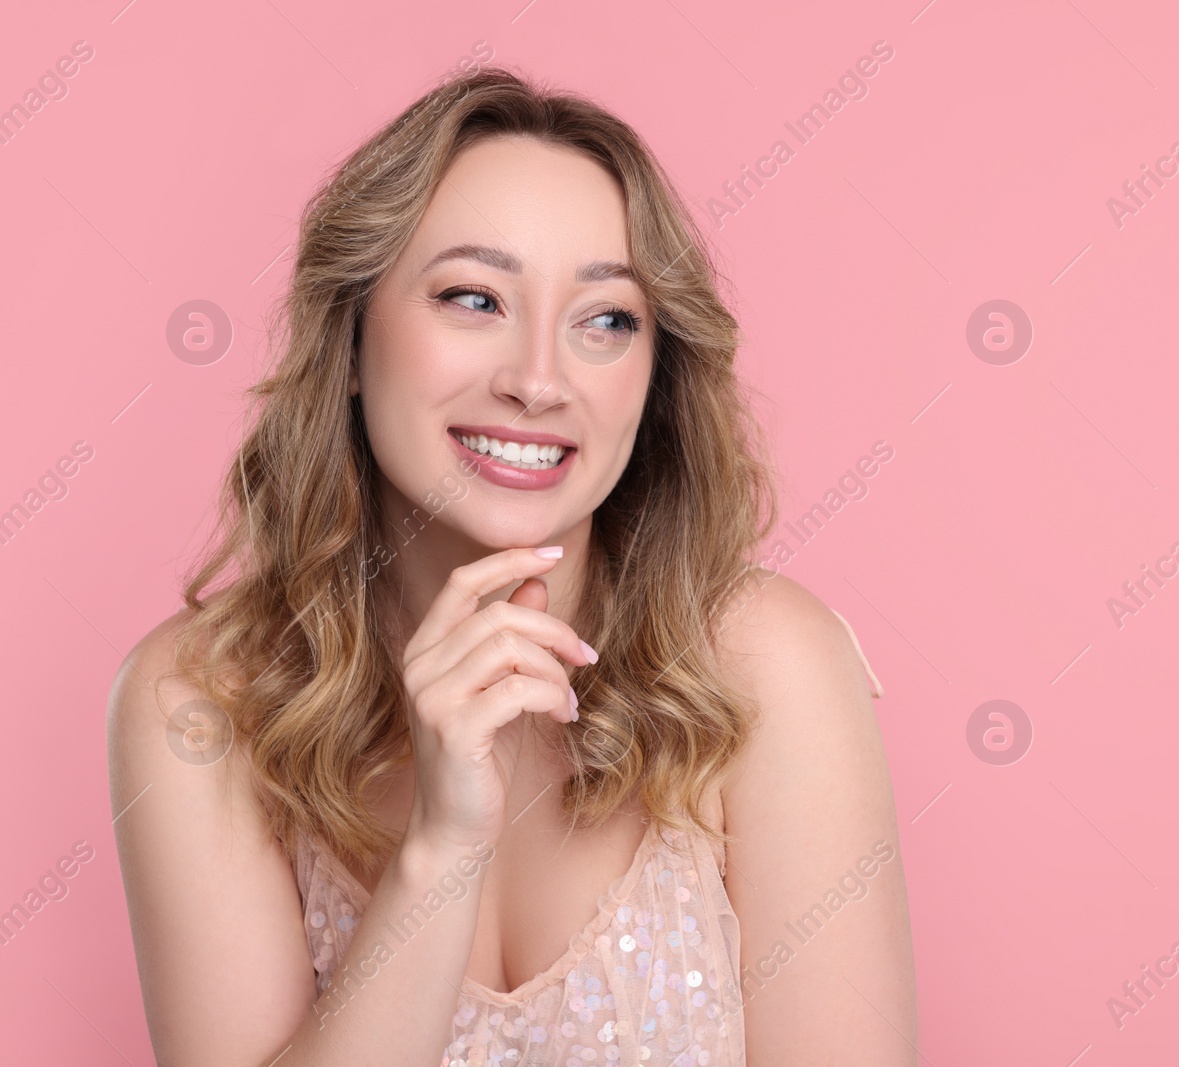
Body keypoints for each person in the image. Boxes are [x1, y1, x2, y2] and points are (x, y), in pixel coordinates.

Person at [107, 67, 915, 1067]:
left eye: (606, 318)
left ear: (653, 378)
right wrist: (440, 853)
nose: (537, 378)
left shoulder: (766, 665)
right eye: (474, 298)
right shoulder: (199, 701)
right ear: (352, 336)